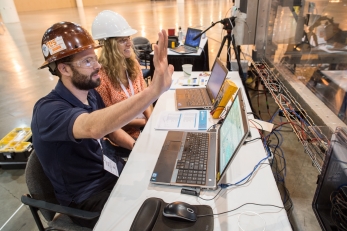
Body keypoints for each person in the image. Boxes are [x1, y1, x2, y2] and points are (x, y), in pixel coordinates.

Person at [31, 21, 173, 228]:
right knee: (155, 220)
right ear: (64, 69)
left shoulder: (90, 95)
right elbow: (93, 127)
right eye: (88, 61)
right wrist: (152, 92)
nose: (98, 66)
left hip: (110, 173)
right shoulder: (48, 111)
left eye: (94, 59)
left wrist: (139, 148)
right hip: (87, 198)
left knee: (163, 191)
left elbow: (113, 130)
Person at [91, 10, 151, 155]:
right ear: (109, 46)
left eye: (129, 38)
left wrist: (151, 121)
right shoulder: (101, 78)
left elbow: (145, 97)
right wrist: (145, 123)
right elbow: (113, 120)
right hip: (122, 139)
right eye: (122, 40)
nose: (130, 43)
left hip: (144, 127)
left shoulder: (133, 64)